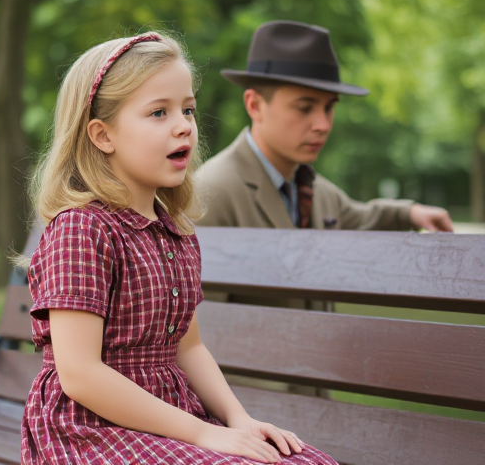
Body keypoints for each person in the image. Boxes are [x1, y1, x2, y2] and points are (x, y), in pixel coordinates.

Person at [20, 31, 338, 465]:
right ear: (102, 135)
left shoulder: (176, 232)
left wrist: (237, 420)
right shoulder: (83, 230)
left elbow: (189, 349)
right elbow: (80, 376)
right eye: (158, 112)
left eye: (187, 108)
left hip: (171, 418)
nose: (184, 124)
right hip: (89, 430)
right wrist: (205, 433)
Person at [196, 20, 453, 234]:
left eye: (329, 107)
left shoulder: (316, 191)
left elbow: (362, 217)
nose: (322, 125)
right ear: (254, 105)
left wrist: (411, 213)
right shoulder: (210, 194)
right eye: (304, 107)